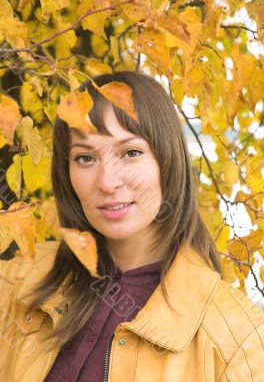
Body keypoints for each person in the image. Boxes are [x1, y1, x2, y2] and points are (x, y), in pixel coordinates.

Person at [0, 70, 263, 382]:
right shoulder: (14, 285)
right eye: (85, 158)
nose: (108, 181)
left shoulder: (239, 341)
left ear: (168, 160)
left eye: (131, 152)